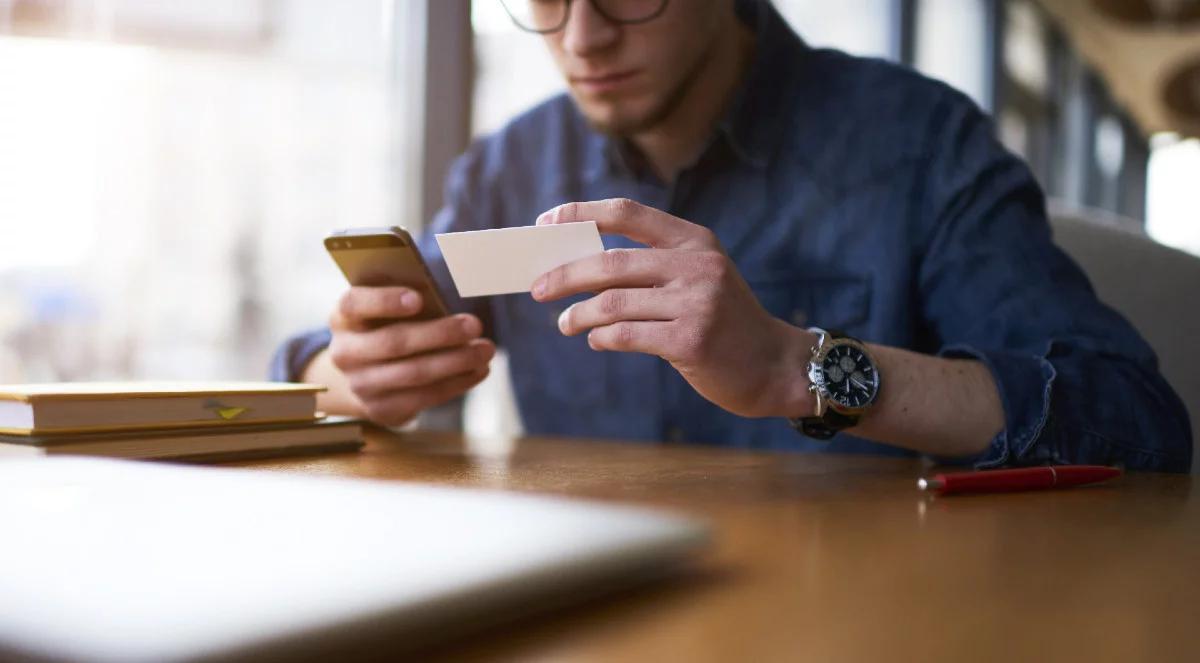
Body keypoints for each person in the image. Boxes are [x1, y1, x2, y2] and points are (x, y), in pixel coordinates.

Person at [271, 0, 1191, 471]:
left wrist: (801, 368)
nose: (582, 37)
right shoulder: (509, 170)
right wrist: (348, 375)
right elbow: (330, 355)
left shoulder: (918, 145)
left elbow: (1133, 419)